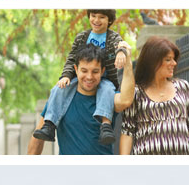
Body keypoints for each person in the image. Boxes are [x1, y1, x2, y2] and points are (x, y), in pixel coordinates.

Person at [32, 10, 129, 145]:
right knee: (58, 88)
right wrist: (66, 75)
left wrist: (121, 52)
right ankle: (49, 125)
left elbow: (121, 46)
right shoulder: (82, 37)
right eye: (93, 16)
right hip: (82, 77)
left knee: (107, 90)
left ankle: (105, 125)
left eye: (102, 17)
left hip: (104, 77)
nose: (96, 20)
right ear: (89, 17)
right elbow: (72, 58)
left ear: (109, 20)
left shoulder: (113, 37)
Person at [27, 44, 135, 155]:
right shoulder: (60, 98)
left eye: (95, 71)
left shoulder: (108, 96)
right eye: (84, 71)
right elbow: (37, 139)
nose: (89, 77)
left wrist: (128, 62)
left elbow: (126, 100)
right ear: (76, 69)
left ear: (102, 71)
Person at [120, 36, 189, 155]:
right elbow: (127, 131)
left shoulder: (182, 86)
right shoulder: (136, 92)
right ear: (153, 61)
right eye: (168, 59)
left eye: (174, 59)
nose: (174, 63)